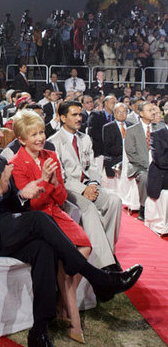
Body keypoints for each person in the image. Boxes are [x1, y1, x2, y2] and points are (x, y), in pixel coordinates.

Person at [0, 110, 142, 347]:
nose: (3, 134)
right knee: (38, 220)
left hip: (0, 228)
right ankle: (99, 276)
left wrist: (23, 194)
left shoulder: (0, 161)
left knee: (43, 247)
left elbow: (13, 203)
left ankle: (40, 331)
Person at [11, 110, 91, 343]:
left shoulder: (50, 155)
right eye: (33, 134)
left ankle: (62, 302)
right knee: (66, 255)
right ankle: (72, 318)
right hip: (37, 220)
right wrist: (46, 181)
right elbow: (32, 203)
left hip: (56, 213)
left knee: (85, 248)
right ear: (22, 139)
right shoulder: (17, 164)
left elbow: (61, 196)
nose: (39, 138)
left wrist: (53, 182)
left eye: (42, 132)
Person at [50, 101, 122, 269]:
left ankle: (108, 253)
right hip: (69, 189)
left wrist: (94, 183)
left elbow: (93, 166)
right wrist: (83, 190)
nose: (79, 118)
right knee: (88, 208)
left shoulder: (85, 138)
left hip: (89, 184)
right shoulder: (53, 142)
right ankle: (106, 266)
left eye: (80, 114)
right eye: (74, 115)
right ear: (62, 117)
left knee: (115, 201)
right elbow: (61, 177)